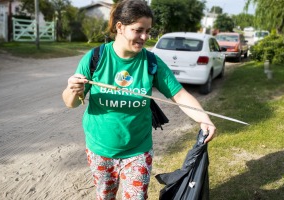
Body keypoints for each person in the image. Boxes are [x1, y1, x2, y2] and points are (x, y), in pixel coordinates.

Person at [62, 0, 216, 199]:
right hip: (99, 149)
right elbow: (70, 102)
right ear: (120, 27)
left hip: (138, 151)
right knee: (105, 196)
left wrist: (204, 119)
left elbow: (179, 94)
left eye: (148, 31)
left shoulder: (151, 62)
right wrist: (73, 89)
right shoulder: (95, 58)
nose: (144, 37)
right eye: (138, 30)